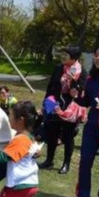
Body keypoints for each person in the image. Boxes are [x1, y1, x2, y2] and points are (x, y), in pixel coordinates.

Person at [39, 46, 87, 174]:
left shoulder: (81, 72)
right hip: (54, 105)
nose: (63, 56)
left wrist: (73, 81)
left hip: (70, 108)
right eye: (63, 54)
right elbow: (50, 87)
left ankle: (66, 163)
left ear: (74, 58)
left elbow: (79, 92)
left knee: (68, 136)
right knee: (51, 133)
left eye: (66, 54)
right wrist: (45, 103)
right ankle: (49, 160)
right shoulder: (58, 68)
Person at [72, 45, 99, 197]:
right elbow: (85, 102)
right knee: (85, 162)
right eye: (96, 55)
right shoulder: (91, 81)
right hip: (91, 129)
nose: (98, 58)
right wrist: (75, 96)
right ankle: (83, 196)